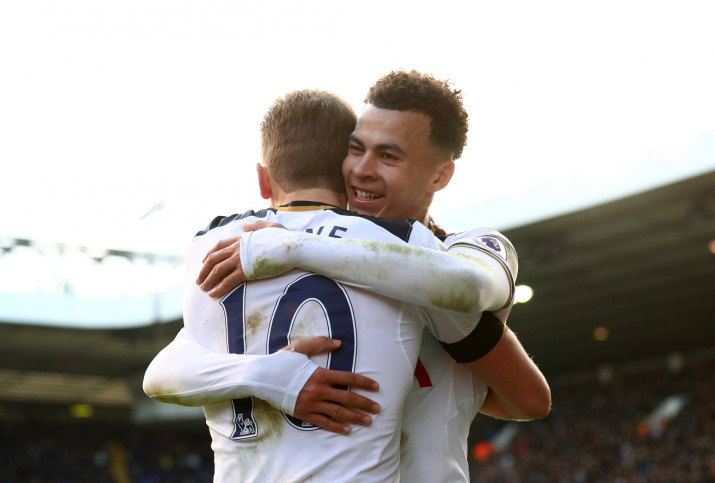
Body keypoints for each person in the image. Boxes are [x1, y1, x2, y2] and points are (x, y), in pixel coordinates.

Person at [143, 87, 526, 482]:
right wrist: (274, 375)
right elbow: (164, 370)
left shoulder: (215, 243)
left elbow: (476, 299)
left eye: (388, 155)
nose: (364, 169)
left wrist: (296, 247)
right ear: (343, 171)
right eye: (358, 150)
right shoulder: (407, 247)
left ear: (263, 178)